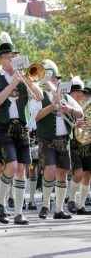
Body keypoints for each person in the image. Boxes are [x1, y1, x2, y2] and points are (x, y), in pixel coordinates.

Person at [0, 32, 43, 225]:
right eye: (7, 57)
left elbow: (40, 97)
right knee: (11, 166)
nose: (11, 59)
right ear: (1, 59)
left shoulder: (23, 77)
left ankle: (19, 212)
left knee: (21, 169)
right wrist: (12, 84)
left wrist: (27, 80)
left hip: (22, 126)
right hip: (3, 126)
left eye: (13, 56)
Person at [31, 60, 83, 220]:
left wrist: (69, 109)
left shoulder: (66, 96)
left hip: (63, 139)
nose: (54, 81)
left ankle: (59, 209)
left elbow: (80, 113)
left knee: (63, 172)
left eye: (55, 79)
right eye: (50, 78)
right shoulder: (38, 95)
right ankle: (46, 205)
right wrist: (52, 106)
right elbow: (36, 116)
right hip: (46, 138)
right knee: (50, 170)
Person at [68, 78, 91, 215]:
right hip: (73, 142)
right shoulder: (68, 105)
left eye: (83, 94)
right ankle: (71, 199)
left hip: (88, 142)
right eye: (78, 94)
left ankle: (81, 206)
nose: (81, 97)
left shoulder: (87, 107)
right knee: (78, 172)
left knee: (87, 175)